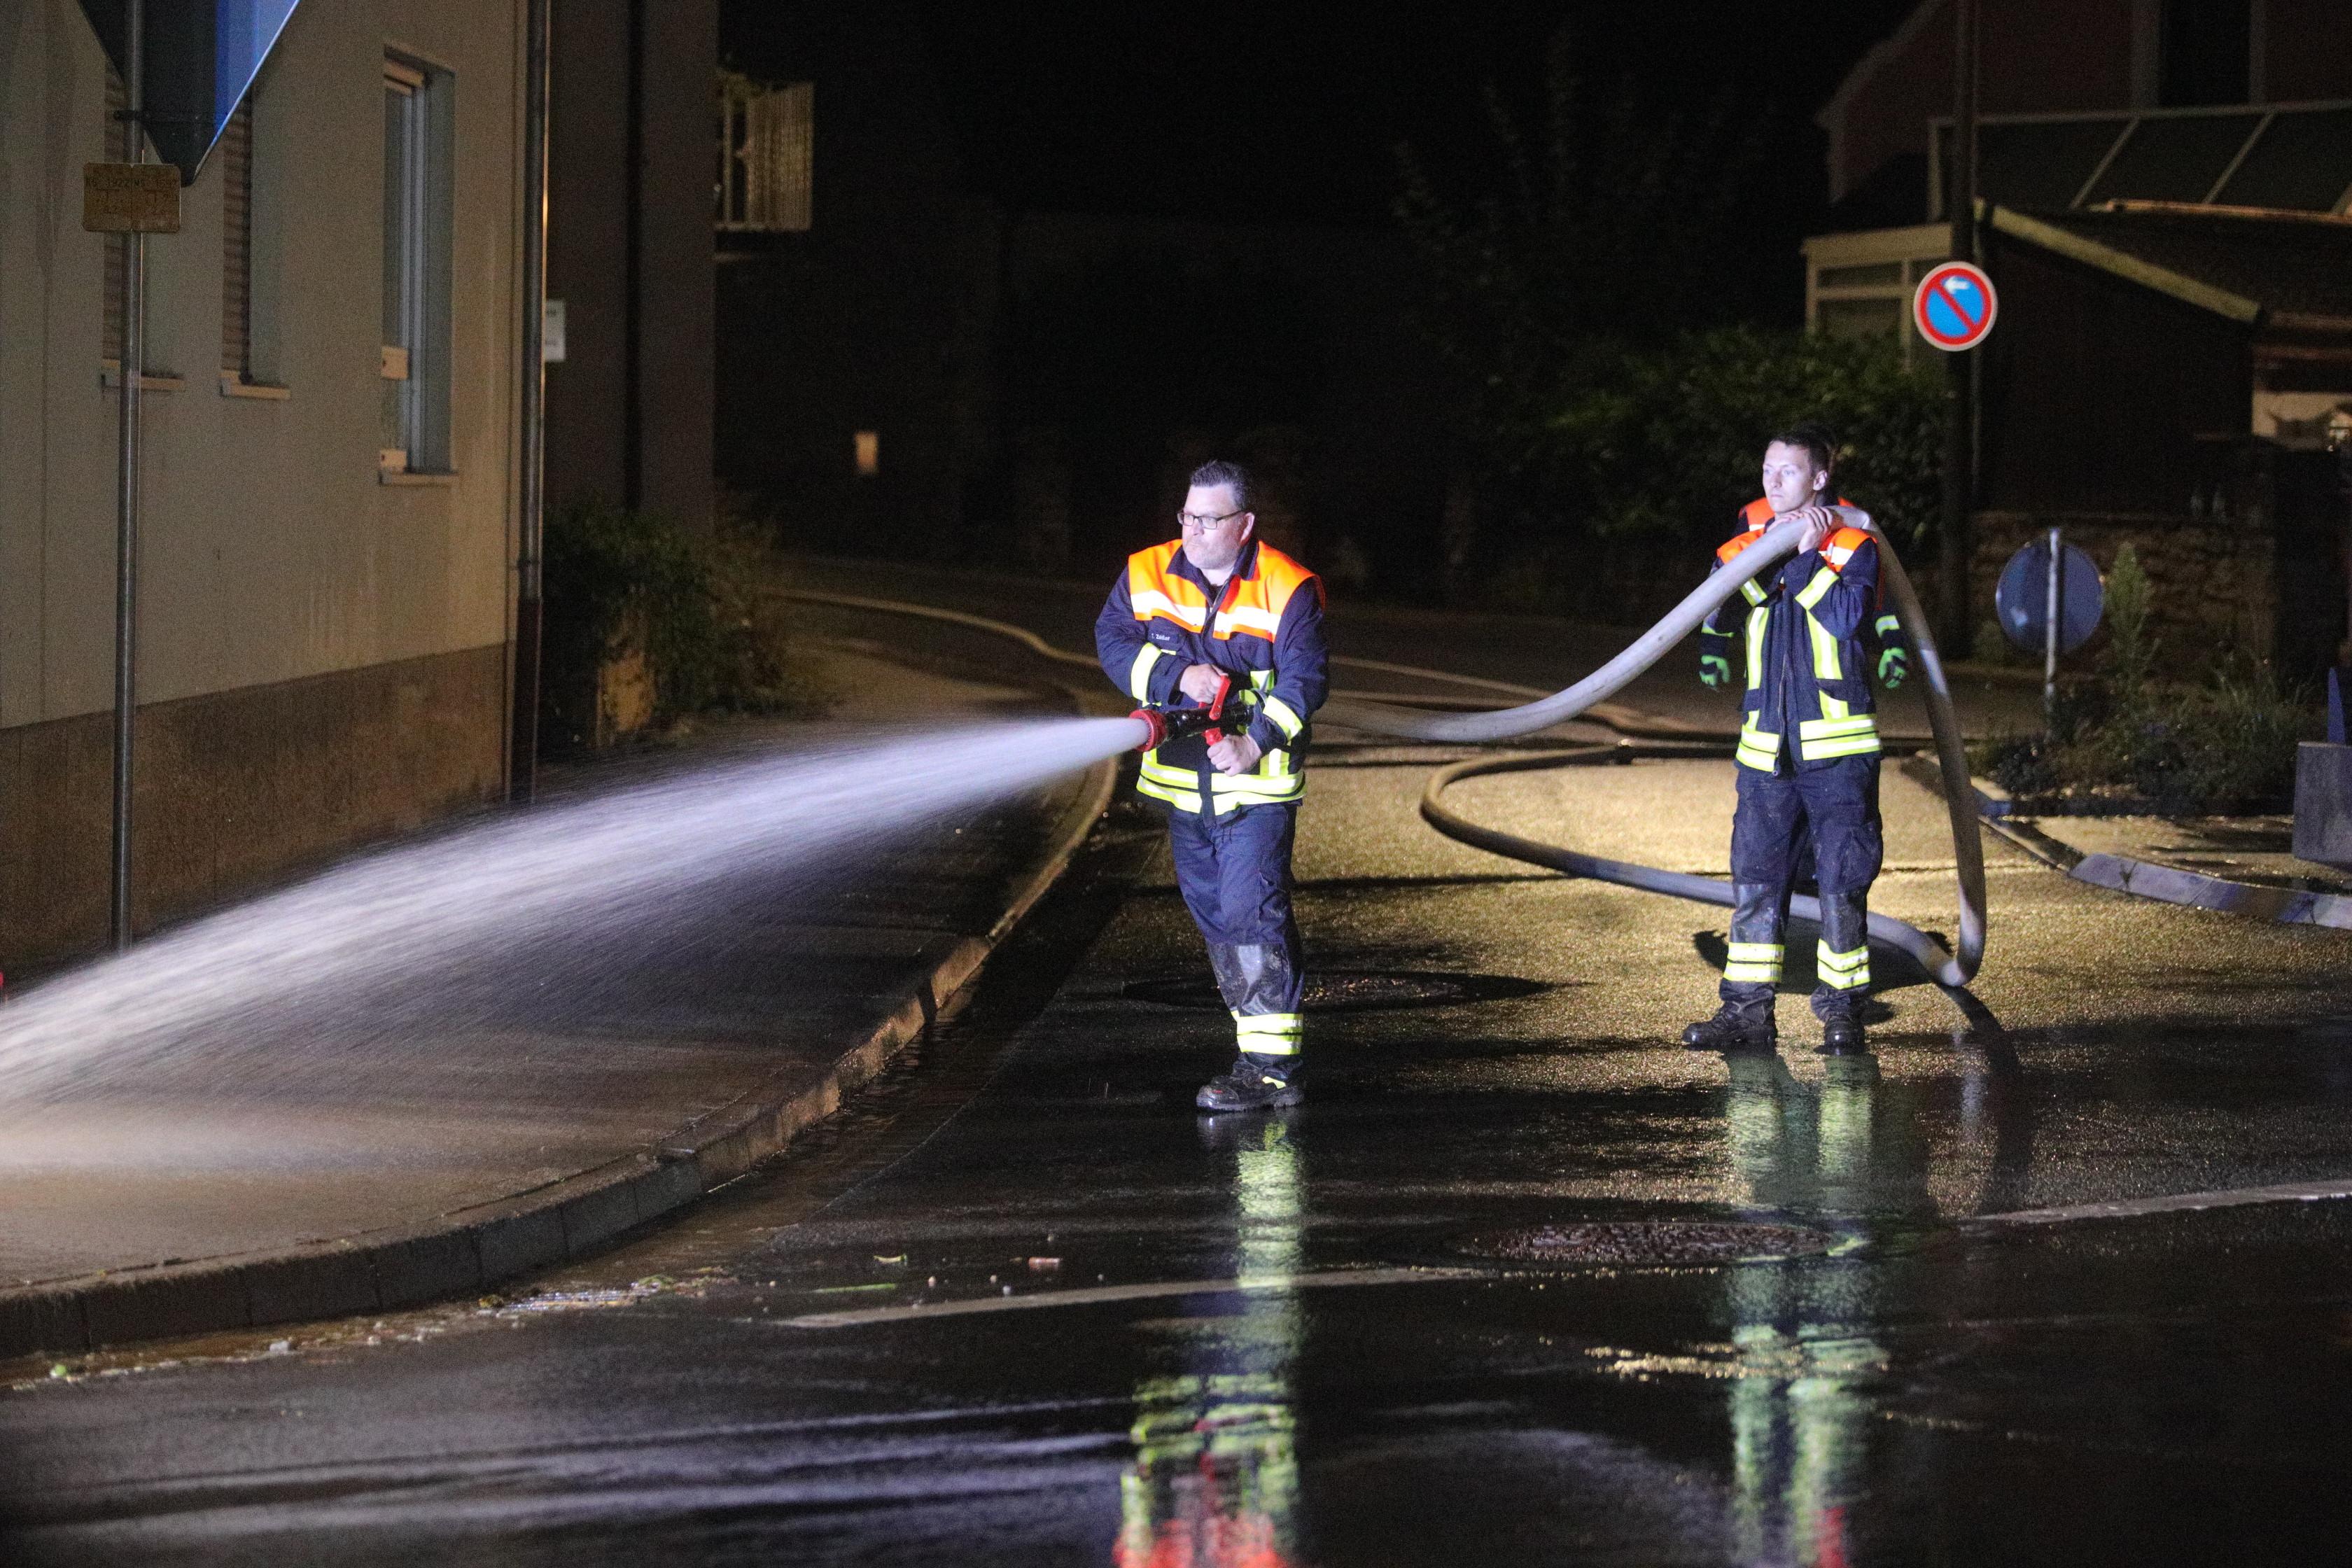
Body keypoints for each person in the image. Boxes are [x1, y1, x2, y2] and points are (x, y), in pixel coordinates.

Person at [1096, 460, 1329, 1111]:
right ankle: (1262, 1050)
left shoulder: (1287, 587)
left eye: (1210, 519)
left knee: (1251, 914)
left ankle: (1271, 1070)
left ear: (1244, 524)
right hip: (1184, 791)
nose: (1194, 530)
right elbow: (1113, 638)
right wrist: (1176, 677)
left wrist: (1255, 741)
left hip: (1254, 791)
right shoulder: (1147, 571)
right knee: (1220, 921)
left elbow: (1305, 680)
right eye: (1188, 516)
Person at [1686, 424, 1889, 1056]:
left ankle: (1842, 1014)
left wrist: (1804, 555)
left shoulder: (1852, 547)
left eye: (1789, 471)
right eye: (1767, 470)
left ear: (1820, 478)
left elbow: (1849, 618)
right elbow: (1720, 609)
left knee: (1841, 886)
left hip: (1838, 754)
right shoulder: (1747, 548)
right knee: (1755, 884)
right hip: (1765, 754)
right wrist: (1768, 555)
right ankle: (1746, 1013)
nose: (1773, 482)